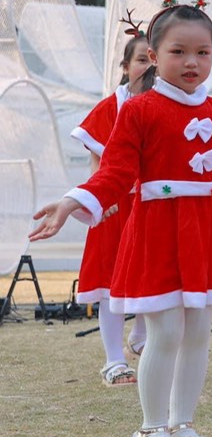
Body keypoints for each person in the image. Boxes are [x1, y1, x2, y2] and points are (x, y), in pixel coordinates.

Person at [30, 0, 212, 437]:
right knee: (165, 333)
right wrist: (70, 202)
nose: (192, 62)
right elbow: (115, 172)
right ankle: (150, 430)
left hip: (205, 231)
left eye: (203, 52)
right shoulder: (139, 110)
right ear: (154, 54)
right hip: (156, 232)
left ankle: (184, 424)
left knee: (198, 334)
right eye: (178, 52)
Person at [69, 28, 155, 385]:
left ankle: (140, 338)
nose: (148, 67)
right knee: (109, 284)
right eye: (140, 60)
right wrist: (99, 202)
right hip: (114, 206)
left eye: (152, 59)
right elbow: (97, 163)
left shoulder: (167, 105)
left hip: (150, 206)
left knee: (151, 276)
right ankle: (114, 360)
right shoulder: (109, 109)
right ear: (124, 66)